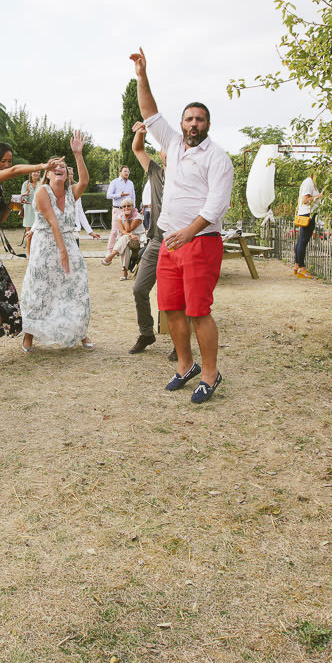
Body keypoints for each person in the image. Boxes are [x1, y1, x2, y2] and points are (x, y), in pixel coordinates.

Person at [129, 48, 234, 403]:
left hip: (200, 241)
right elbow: (148, 112)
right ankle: (184, 365)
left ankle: (210, 373)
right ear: (182, 123)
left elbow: (216, 205)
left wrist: (189, 231)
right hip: (168, 243)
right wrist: (142, 75)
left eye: (200, 120)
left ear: (207, 124)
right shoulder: (172, 144)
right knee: (171, 308)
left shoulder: (218, 158)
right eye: (189, 119)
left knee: (198, 311)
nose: (193, 124)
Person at [0, 144, 60, 367]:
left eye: (9, 161)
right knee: (7, 298)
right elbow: (17, 170)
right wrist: (42, 166)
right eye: (4, 161)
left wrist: (12, 204)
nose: (7, 165)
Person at [21, 130, 94, 351]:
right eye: (55, 168)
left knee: (77, 287)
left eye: (63, 167)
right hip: (45, 247)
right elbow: (53, 222)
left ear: (66, 174)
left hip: (69, 245)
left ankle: (80, 332)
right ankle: (28, 335)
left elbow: (85, 180)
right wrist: (62, 251)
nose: (59, 169)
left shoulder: (72, 193)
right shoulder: (42, 191)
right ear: (48, 175)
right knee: (40, 290)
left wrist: (78, 154)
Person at [128, 122, 168, 355]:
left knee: (176, 296)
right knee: (139, 289)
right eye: (165, 150)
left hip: (179, 242)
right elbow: (138, 150)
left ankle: (178, 342)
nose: (167, 154)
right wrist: (141, 133)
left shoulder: (187, 178)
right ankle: (146, 333)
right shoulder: (155, 172)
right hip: (155, 240)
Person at [293, 171, 323, 278]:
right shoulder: (309, 182)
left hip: (307, 214)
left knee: (301, 240)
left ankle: (297, 265)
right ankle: (302, 267)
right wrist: (319, 196)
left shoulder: (311, 183)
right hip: (307, 215)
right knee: (303, 241)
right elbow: (305, 200)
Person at [103, 199, 143, 276]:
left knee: (125, 238)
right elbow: (122, 231)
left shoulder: (137, 216)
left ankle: (111, 255)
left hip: (138, 240)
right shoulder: (119, 216)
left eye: (129, 206)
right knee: (125, 245)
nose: (126, 208)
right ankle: (124, 272)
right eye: (124, 206)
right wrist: (130, 234)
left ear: (132, 206)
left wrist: (126, 218)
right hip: (128, 239)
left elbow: (128, 229)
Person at [105, 165, 137, 258]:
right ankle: (109, 251)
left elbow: (133, 196)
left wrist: (133, 208)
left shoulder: (131, 183)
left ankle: (119, 250)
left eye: (128, 172)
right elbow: (108, 195)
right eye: (125, 171)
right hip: (117, 209)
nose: (127, 173)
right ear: (120, 172)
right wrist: (120, 194)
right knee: (114, 231)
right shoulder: (114, 182)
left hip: (128, 211)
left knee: (124, 231)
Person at [17, 170, 42, 251]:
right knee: (29, 236)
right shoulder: (26, 183)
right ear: (30, 173)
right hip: (28, 212)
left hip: (40, 212)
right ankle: (29, 256)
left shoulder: (42, 183)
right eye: (34, 172)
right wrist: (27, 191)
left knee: (40, 236)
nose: (36, 173)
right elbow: (23, 199)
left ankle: (38, 255)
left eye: (38, 172)